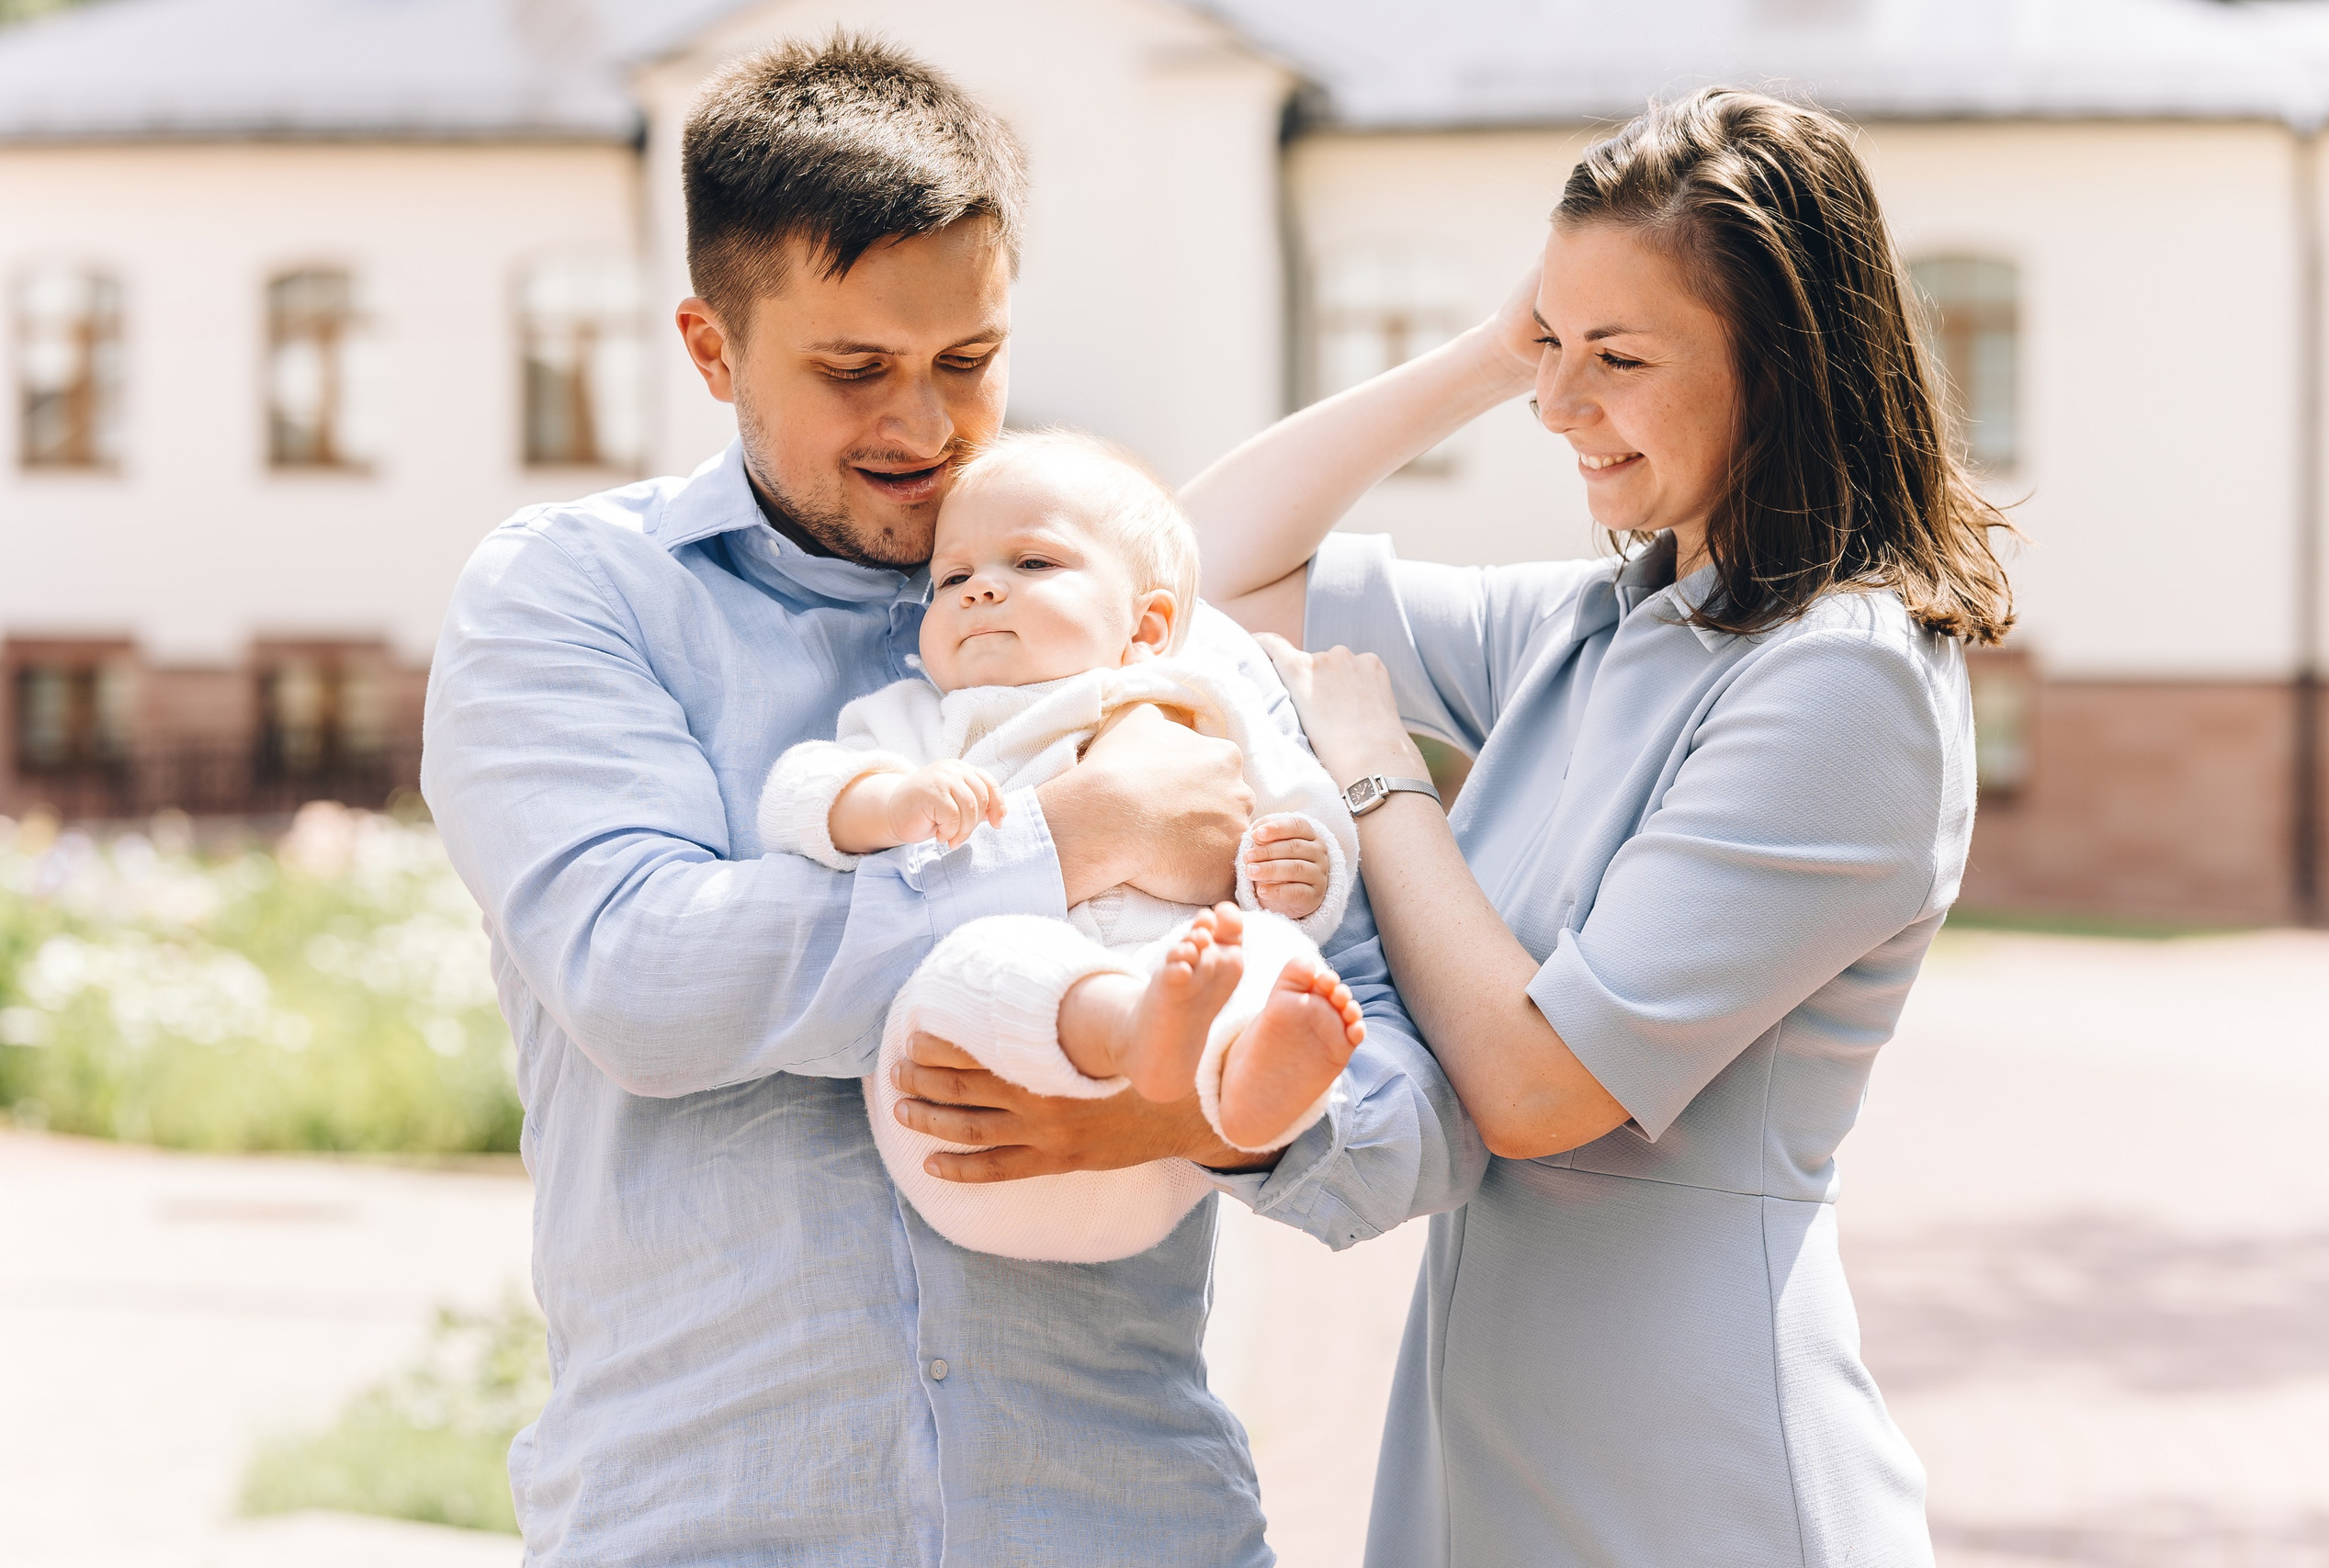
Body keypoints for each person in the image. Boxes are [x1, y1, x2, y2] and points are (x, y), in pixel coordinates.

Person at [420, 34, 1480, 1568]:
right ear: (712, 350)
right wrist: (1079, 834)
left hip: (1129, 1521)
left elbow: (1406, 1118)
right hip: (710, 1528)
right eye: (854, 370)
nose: (923, 429)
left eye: (967, 363)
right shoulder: (575, 601)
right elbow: (640, 976)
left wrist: (1214, 1118)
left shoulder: (1148, 636)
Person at [1190, 86, 2013, 1565]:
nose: (1562, 409)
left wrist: (1381, 780)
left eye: (1618, 359)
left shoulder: (1845, 685)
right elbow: (1195, 569)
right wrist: (1488, 353)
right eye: (1551, 350)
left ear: (1788, 367)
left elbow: (1541, 1087)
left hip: (1699, 1480)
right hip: (1488, 1446)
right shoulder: (1592, 624)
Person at [757, 428, 1367, 1262]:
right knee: (974, 954)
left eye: (1031, 564)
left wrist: (1299, 869)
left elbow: (1307, 811)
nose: (979, 592)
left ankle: (1259, 1091)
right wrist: (893, 800)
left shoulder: (1202, 702)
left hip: (1165, 1142)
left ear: (1147, 626)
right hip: (970, 1126)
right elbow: (796, 795)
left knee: (1269, 952)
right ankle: (1128, 1027)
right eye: (953, 577)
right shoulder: (921, 723)